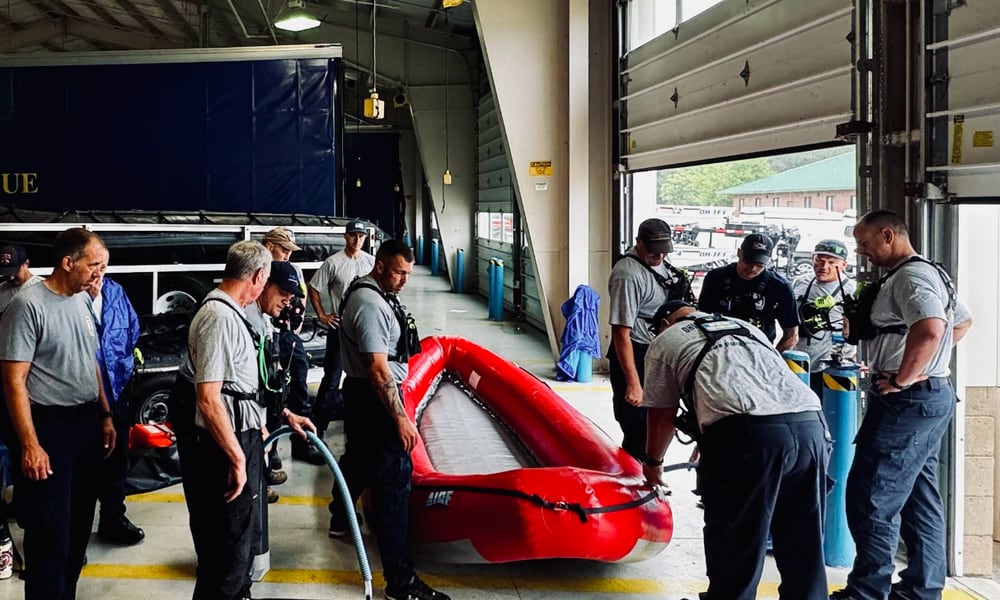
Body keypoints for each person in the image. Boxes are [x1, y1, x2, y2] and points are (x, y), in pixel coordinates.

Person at [641, 300, 829, 600]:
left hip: (749, 437)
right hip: (810, 427)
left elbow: (661, 414)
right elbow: (751, 382)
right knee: (802, 541)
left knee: (736, 543)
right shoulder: (744, 326)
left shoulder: (666, 340)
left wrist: (653, 462)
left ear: (664, 323)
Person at [831, 210, 973, 600]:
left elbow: (931, 329)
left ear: (888, 235)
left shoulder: (911, 277)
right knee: (917, 495)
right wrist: (926, 366)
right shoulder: (928, 272)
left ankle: (867, 591)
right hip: (927, 398)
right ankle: (922, 589)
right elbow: (962, 322)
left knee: (872, 496)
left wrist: (903, 376)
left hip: (906, 403)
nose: (861, 252)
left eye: (864, 243)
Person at [173, 240, 314, 600]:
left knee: (239, 548)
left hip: (241, 437)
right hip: (225, 445)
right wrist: (237, 459)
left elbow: (243, 385)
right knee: (225, 553)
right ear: (257, 276)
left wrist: (282, 413)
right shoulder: (219, 318)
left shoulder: (234, 313)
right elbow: (208, 398)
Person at [327, 238, 450, 600]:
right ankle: (400, 582)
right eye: (398, 271)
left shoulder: (375, 293)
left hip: (365, 396)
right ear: (379, 266)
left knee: (360, 461)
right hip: (375, 398)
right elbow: (378, 370)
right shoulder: (368, 304)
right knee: (395, 482)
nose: (404, 280)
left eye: (408, 273)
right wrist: (400, 418)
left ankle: (340, 516)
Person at [0, 227, 115, 600]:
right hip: (48, 428)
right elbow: (14, 381)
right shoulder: (27, 306)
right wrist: (30, 445)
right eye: (94, 265)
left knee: (79, 527)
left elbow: (91, 361)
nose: (100, 273)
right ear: (68, 262)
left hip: (85, 424)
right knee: (51, 532)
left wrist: (105, 414)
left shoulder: (81, 300)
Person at [607, 218, 693, 460]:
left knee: (657, 423)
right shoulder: (628, 274)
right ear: (639, 243)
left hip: (660, 352)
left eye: (664, 250)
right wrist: (633, 383)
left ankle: (651, 474)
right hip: (637, 352)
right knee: (637, 428)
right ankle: (634, 482)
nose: (660, 256)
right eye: (654, 250)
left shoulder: (663, 265)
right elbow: (621, 332)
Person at [88, 273, 145, 545]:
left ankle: (113, 518)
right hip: (82, 396)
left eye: (102, 265)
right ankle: (75, 534)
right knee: (84, 465)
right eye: (92, 265)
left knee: (117, 459)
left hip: (118, 388)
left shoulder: (115, 292)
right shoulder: (68, 297)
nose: (97, 273)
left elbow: (132, 329)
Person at [261, 227, 324, 466]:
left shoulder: (294, 270)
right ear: (269, 246)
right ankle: (271, 448)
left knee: (298, 385)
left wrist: (293, 333)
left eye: (290, 250)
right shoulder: (261, 272)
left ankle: (302, 442)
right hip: (269, 337)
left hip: (288, 336)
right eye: (283, 249)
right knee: (273, 391)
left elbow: (302, 297)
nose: (287, 254)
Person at [308, 219, 375, 437]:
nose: (357, 240)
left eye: (361, 236)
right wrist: (322, 315)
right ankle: (317, 430)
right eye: (353, 235)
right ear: (345, 237)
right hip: (340, 328)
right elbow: (314, 288)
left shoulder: (371, 262)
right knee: (332, 378)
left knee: (366, 377)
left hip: (364, 329)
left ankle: (359, 424)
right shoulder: (333, 263)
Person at [698, 233, 800, 350]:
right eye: (749, 262)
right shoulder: (715, 277)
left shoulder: (780, 287)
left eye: (759, 264)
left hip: (759, 350)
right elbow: (701, 318)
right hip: (719, 349)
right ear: (739, 253)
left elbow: (792, 335)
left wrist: (774, 360)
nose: (753, 269)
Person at [791, 239, 857, 396]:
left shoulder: (851, 290)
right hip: (799, 362)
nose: (823, 267)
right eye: (819, 261)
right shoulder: (800, 283)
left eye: (831, 262)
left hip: (832, 366)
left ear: (844, 265)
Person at [0, 244, 44, 315]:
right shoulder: (1, 290)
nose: (11, 278)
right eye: (6, 274)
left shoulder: (43, 289)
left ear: (26, 263)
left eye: (14, 272)